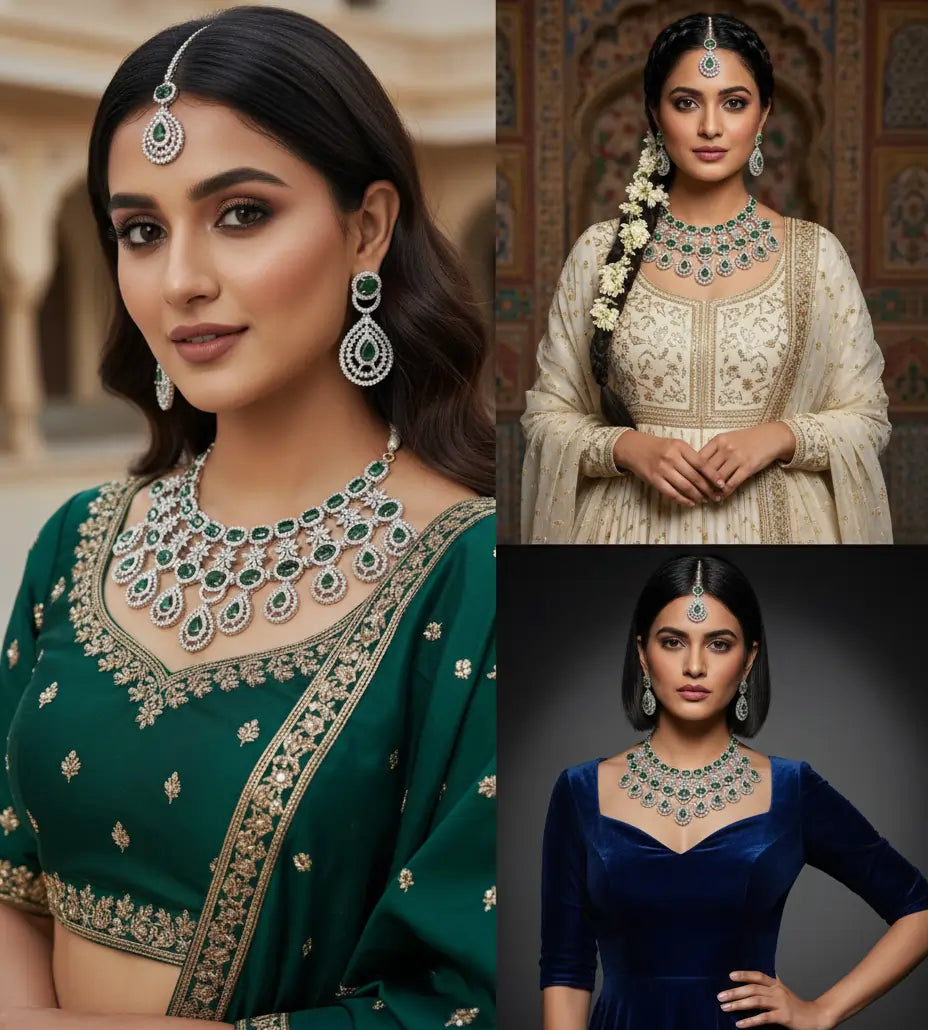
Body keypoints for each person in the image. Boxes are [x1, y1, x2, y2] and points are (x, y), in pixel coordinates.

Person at [0, 7, 495, 1028]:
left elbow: (459, 998)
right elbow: (9, 863)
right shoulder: (79, 541)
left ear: (367, 228)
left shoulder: (474, 574)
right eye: (141, 230)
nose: (181, 279)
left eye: (239, 214)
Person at [521, 12, 892, 544]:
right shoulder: (599, 251)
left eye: (734, 103)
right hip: (626, 529)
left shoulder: (817, 255)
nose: (711, 127)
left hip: (783, 531)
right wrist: (626, 448)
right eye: (686, 102)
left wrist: (778, 436)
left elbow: (868, 416)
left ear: (764, 115)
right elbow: (545, 416)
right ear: (655, 114)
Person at [539, 554, 928, 1029]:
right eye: (673, 642)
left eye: (719, 644)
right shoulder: (581, 791)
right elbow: (566, 967)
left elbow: (919, 908)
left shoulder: (791, 789)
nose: (695, 665)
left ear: (749, 659)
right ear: (643, 654)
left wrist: (822, 1010)